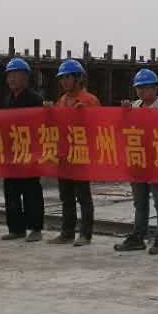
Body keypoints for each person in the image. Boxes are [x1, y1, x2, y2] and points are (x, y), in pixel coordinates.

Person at [114, 68, 158, 256]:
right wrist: (124, 114)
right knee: (140, 202)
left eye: (145, 87)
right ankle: (138, 237)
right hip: (137, 160)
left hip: (155, 163)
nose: (142, 91)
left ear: (155, 88)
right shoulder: (134, 107)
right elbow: (122, 129)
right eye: (139, 88)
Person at [50, 59, 100, 247]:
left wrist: (85, 114)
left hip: (81, 154)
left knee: (83, 196)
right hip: (64, 155)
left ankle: (86, 234)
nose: (64, 81)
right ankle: (67, 232)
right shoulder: (62, 101)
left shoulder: (90, 100)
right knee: (66, 197)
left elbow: (99, 126)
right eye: (62, 78)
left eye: (67, 77)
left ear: (78, 78)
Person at [0, 58, 45, 242]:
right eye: (9, 75)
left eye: (15, 74)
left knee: (31, 191)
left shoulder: (35, 99)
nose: (11, 79)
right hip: (12, 153)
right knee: (11, 191)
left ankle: (36, 228)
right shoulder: (8, 100)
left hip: (29, 152)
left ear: (25, 77)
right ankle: (16, 228)